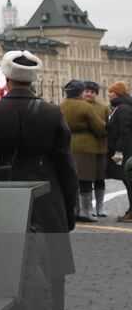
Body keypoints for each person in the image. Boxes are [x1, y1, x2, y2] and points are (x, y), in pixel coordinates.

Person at [0, 50, 78, 310]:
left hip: (2, 191)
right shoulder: (52, 113)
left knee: (0, 263)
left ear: (5, 78)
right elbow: (67, 167)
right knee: (52, 270)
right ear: (34, 79)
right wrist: (69, 208)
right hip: (48, 194)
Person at [60, 78, 107, 222]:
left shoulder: (61, 105)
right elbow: (99, 128)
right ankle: (85, 211)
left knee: (75, 179)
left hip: (70, 145)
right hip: (87, 146)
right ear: (80, 92)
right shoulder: (86, 107)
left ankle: (75, 209)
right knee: (86, 179)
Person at [83, 81, 112, 218]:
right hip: (83, 149)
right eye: (87, 91)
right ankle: (88, 207)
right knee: (85, 179)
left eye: (92, 92)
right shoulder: (79, 106)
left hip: (99, 148)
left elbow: (109, 126)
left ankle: (100, 206)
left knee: (100, 178)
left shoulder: (103, 108)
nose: (89, 94)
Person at [108, 80, 132, 222]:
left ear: (117, 93)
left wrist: (119, 150)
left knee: (129, 181)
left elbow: (124, 131)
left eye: (111, 92)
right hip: (127, 149)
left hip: (127, 150)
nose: (109, 95)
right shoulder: (122, 107)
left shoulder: (123, 108)